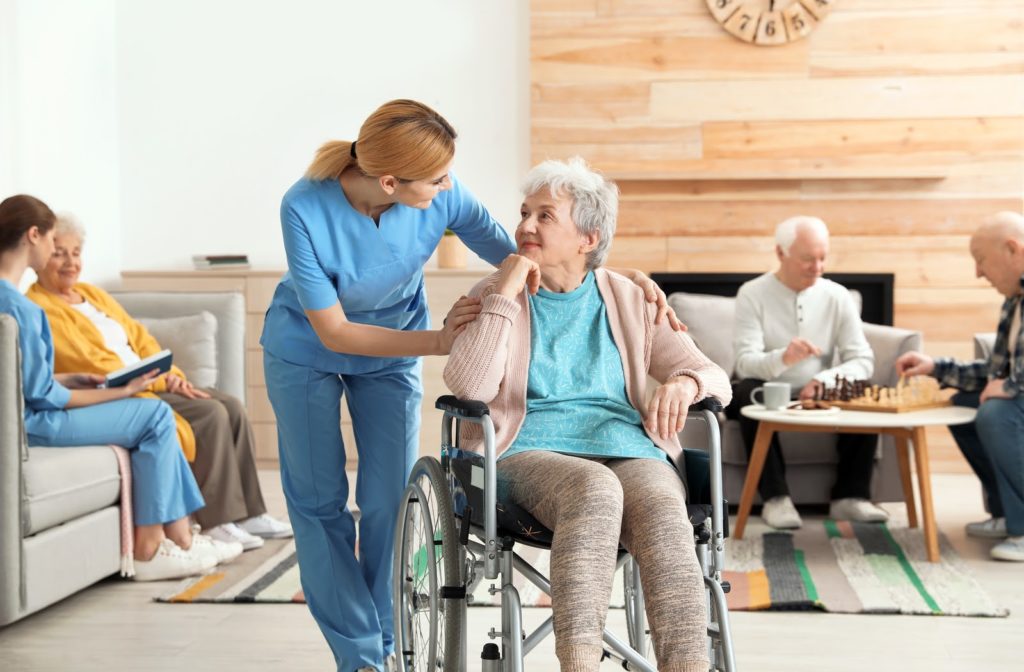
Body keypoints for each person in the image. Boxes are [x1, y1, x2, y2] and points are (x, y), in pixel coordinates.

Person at [261, 100, 681, 672]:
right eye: (435, 179)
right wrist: (438, 343)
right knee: (318, 504)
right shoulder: (303, 206)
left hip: (391, 354)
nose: (447, 186)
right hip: (308, 352)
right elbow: (333, 330)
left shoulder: (445, 195)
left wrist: (617, 276)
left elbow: (532, 253)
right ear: (390, 182)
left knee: (387, 499)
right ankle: (359, 655)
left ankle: (388, 639)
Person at [444, 157, 730, 672]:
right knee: (594, 488)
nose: (526, 226)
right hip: (523, 450)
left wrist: (685, 384)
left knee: (664, 509)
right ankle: (579, 664)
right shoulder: (493, 294)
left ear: (588, 239)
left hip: (627, 447)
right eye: (525, 212)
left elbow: (714, 376)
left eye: (545, 216)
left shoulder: (631, 298)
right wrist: (504, 294)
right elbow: (469, 385)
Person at [0, 194, 240, 581]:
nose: (56, 251)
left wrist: (67, 377)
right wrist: (120, 392)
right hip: (36, 424)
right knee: (155, 415)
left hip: (26, 414)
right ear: (33, 236)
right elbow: (44, 399)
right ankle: (149, 549)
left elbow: (18, 378)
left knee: (158, 413)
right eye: (51, 242)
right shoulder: (25, 309)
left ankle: (181, 539)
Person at [26, 214, 292, 551]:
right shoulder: (39, 306)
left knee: (232, 405)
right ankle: (217, 521)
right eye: (59, 253)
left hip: (151, 380)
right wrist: (154, 383)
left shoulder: (92, 294)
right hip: (123, 392)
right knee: (210, 414)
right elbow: (87, 364)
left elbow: (140, 336)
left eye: (76, 252)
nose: (70, 262)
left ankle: (251, 513)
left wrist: (171, 376)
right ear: (41, 256)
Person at [725, 216, 887, 530]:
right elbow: (745, 362)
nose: (818, 267)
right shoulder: (752, 293)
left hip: (817, 393)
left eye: (823, 258)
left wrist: (823, 380)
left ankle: (850, 497)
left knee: (865, 388)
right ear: (781, 253)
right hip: (767, 389)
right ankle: (776, 499)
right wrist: (783, 358)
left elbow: (862, 359)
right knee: (745, 388)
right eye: (808, 259)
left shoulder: (837, 296)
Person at [896, 211, 1024, 562]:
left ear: (1012, 249)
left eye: (981, 260)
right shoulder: (1015, 300)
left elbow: (1009, 381)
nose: (978, 272)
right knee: (964, 406)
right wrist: (936, 367)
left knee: (996, 412)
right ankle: (1005, 513)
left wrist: (1011, 387)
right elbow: (994, 371)